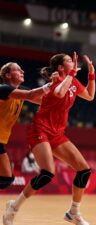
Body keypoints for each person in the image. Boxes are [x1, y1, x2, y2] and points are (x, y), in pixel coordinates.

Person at [2, 53, 96, 225]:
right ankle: (13, 208)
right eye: (68, 61)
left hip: (58, 133)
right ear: (60, 68)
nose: (72, 62)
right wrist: (71, 74)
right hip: (40, 129)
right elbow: (59, 93)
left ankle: (73, 212)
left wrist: (91, 74)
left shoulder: (72, 81)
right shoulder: (56, 82)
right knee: (47, 173)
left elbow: (90, 96)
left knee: (84, 170)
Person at [0, 62, 53, 190]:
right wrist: (52, 84)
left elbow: (42, 100)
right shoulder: (3, 88)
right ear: (7, 75)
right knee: (6, 178)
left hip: (0, 139)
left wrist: (63, 86)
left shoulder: (20, 91)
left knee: (6, 179)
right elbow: (31, 95)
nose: (22, 71)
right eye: (18, 70)